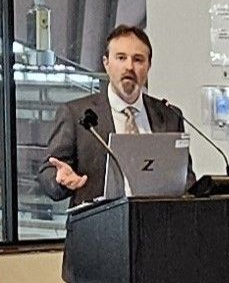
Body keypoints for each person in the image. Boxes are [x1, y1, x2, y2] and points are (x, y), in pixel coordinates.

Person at [38, 25, 186, 205]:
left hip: (156, 225)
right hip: (99, 227)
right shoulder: (77, 114)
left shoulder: (170, 115)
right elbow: (49, 171)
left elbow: (184, 177)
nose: (129, 66)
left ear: (148, 66)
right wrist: (60, 180)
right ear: (106, 63)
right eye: (121, 58)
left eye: (138, 59)